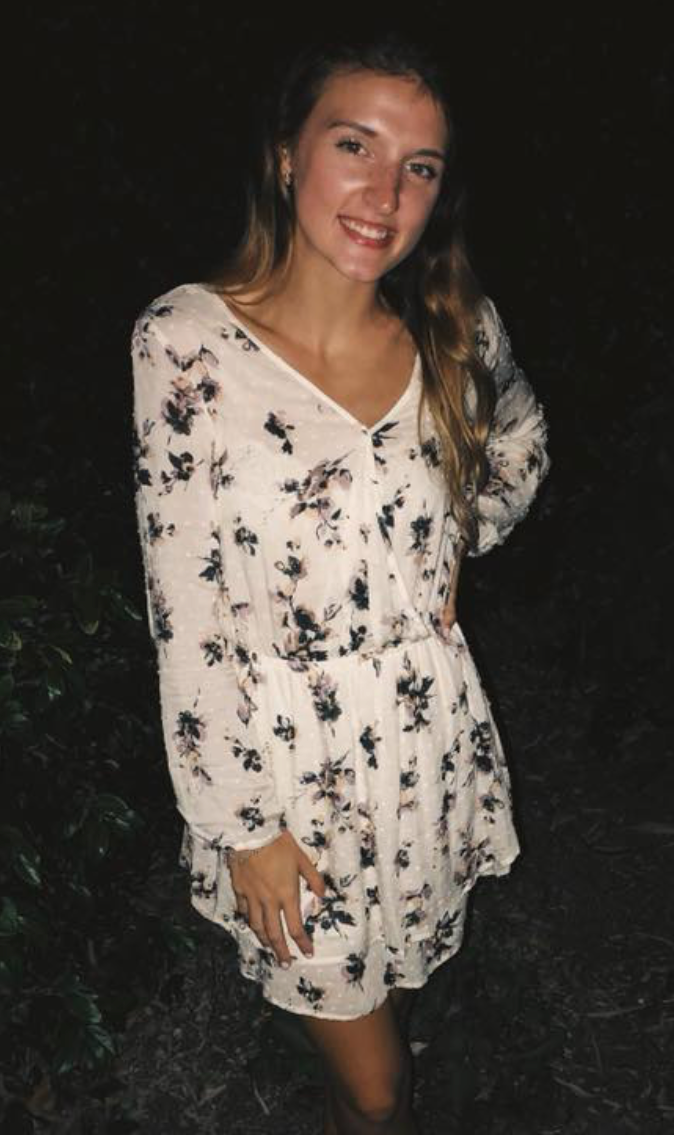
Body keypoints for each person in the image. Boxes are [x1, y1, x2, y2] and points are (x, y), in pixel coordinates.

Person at [130, 27, 550, 1135]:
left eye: (418, 167)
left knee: (393, 1000)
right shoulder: (188, 343)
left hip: (420, 747)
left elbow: (520, 437)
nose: (384, 192)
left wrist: (460, 534)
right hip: (284, 772)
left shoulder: (451, 330)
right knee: (378, 1089)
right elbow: (186, 612)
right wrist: (239, 821)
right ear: (284, 156)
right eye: (353, 145)